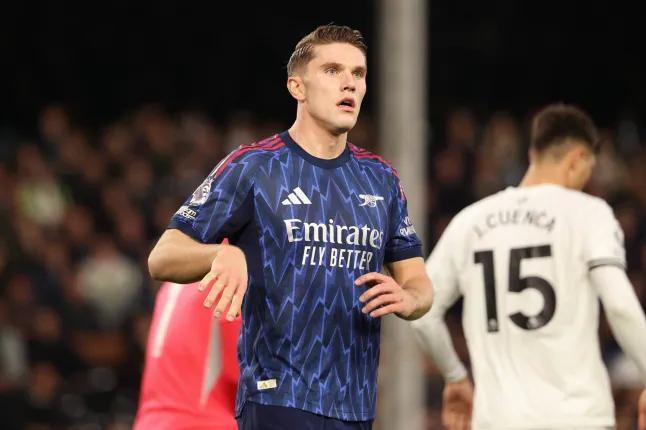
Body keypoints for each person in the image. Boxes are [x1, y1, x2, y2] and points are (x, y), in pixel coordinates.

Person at [147, 24, 433, 430]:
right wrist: (220, 254)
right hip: (277, 396)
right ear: (297, 87)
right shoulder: (254, 166)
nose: (349, 84)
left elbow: (419, 284)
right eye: (332, 71)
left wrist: (410, 299)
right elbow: (162, 257)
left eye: (358, 73)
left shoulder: (380, 178)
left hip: (355, 405)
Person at [412, 104, 646, 430]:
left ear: (533, 153)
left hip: (496, 420)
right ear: (578, 159)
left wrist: (455, 376)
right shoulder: (588, 213)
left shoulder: (470, 222)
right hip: (576, 417)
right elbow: (620, 306)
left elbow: (422, 312)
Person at [134, 281, 241, 430]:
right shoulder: (226, 281)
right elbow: (246, 376)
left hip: (151, 422)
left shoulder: (171, 285)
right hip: (203, 423)